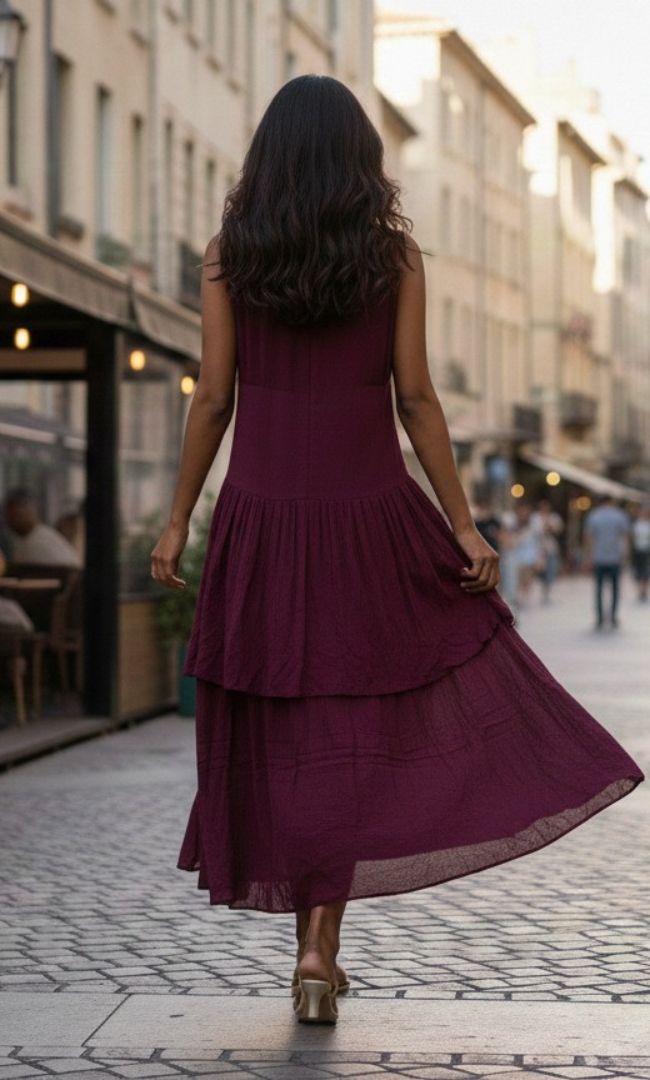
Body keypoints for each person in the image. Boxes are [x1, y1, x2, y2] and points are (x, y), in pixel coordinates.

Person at [150, 75, 644, 1026]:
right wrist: (462, 523)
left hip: (261, 520)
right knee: (355, 729)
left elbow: (213, 397)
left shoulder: (227, 257)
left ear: (268, 156)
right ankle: (320, 948)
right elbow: (415, 396)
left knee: (284, 730)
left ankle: (306, 948)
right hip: (369, 519)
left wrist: (179, 519)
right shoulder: (392, 257)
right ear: (360, 159)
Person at [583, 494, 631, 630]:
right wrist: (625, 554)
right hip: (615, 557)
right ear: (611, 502)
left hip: (598, 557)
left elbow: (589, 537)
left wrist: (588, 557)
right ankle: (613, 616)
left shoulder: (594, 516)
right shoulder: (620, 515)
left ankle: (599, 618)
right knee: (615, 588)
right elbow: (625, 537)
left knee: (599, 589)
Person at [3, 488, 82, 569]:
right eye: (8, 517)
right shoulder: (24, 540)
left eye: (16, 515)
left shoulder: (42, 540)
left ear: (30, 511)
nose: (10, 521)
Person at [530, 498, 564, 603]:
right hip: (538, 549)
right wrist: (544, 528)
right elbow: (534, 531)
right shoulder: (535, 518)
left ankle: (547, 592)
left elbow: (559, 530)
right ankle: (538, 590)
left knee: (551, 570)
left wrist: (551, 527)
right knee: (540, 572)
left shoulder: (554, 517)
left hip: (551, 548)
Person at [512, 501, 545, 607]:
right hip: (517, 557)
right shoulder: (514, 523)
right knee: (519, 580)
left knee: (528, 578)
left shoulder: (534, 525)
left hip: (530, 557)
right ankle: (520, 598)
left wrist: (540, 557)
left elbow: (539, 541)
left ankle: (524, 599)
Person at [630, 504, 650, 602]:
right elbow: (632, 538)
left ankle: (644, 591)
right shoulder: (635, 524)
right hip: (638, 551)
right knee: (638, 572)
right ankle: (640, 590)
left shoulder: (648, 524)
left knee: (646, 572)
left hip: (647, 550)